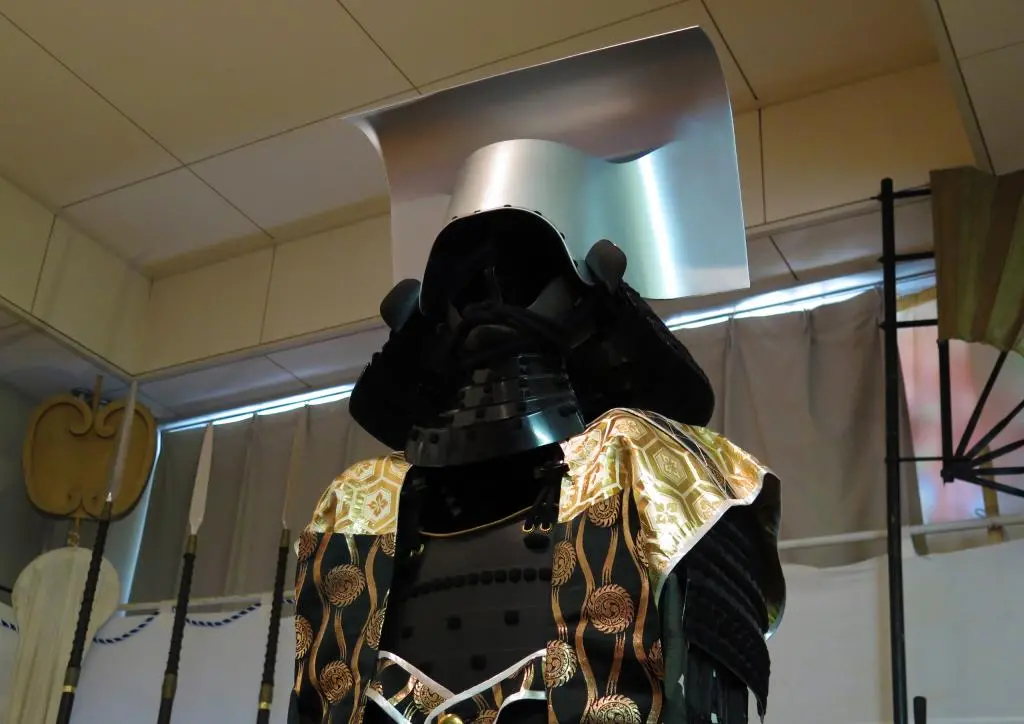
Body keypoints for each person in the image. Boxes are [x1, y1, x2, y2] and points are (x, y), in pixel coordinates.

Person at [289, 26, 784, 724]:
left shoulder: (655, 472)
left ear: (588, 296)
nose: (493, 299)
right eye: (473, 283)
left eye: (522, 276)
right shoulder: (354, 505)